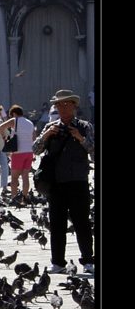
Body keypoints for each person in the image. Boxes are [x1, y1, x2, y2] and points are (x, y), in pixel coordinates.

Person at [32, 90, 95, 274]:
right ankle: (57, 262)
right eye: (59, 105)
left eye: (66, 104)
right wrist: (46, 136)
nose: (63, 108)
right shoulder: (51, 126)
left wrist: (80, 138)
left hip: (78, 181)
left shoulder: (85, 126)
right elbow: (35, 150)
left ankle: (88, 260)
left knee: (82, 222)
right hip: (56, 182)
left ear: (74, 106)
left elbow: (93, 150)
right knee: (56, 224)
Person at [0, 105, 35, 204]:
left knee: (14, 177)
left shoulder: (15, 120)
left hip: (18, 152)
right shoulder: (30, 122)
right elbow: (34, 137)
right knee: (25, 176)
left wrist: (5, 137)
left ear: (14, 113)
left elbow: (0, 127)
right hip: (29, 151)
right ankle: (24, 197)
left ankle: (14, 198)